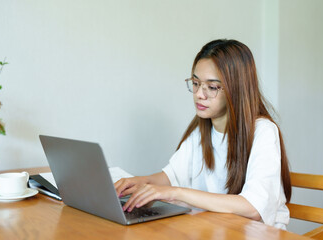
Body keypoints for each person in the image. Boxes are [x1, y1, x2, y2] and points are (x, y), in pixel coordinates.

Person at [114, 39, 292, 229]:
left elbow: (253, 207)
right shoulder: (201, 130)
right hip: (216, 230)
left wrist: (176, 193)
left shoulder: (263, 131)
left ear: (237, 88)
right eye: (196, 83)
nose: (199, 94)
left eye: (212, 87)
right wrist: (137, 183)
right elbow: (171, 175)